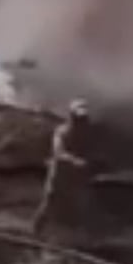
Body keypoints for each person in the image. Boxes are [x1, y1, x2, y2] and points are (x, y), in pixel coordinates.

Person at [31, 99, 95, 235]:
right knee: (50, 201)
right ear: (71, 116)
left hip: (76, 174)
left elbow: (90, 150)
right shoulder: (61, 131)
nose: (82, 120)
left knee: (79, 202)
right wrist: (74, 161)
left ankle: (79, 234)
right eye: (79, 117)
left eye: (83, 117)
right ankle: (36, 230)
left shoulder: (86, 132)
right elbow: (58, 152)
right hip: (60, 172)